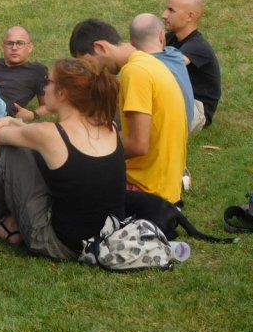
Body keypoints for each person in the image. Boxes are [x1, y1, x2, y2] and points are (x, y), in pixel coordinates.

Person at [0, 57, 126, 261]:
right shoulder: (108, 125)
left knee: (10, 150)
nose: (44, 88)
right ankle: (9, 222)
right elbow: (39, 137)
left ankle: (0, 219)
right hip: (105, 239)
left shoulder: (49, 134)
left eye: (47, 82)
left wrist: (8, 122)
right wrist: (18, 124)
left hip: (60, 245)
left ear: (62, 93)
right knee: (33, 149)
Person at [69, 18, 187, 204]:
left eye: (89, 64)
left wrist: (89, 153)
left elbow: (138, 144)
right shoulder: (148, 62)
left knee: (67, 181)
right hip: (163, 185)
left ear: (100, 47)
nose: (94, 73)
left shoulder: (134, 72)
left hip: (148, 190)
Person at [162, 0, 222, 131]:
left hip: (197, 109)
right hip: (178, 99)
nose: (164, 15)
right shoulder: (170, 38)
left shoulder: (198, 47)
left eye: (171, 10)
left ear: (190, 16)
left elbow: (169, 67)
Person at [130, 13, 194, 131]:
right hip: (184, 129)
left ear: (131, 43)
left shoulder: (138, 71)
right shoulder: (174, 54)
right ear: (161, 36)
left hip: (161, 135)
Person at [0, 26, 49, 120]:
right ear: (3, 47)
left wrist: (32, 114)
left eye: (20, 43)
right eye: (9, 43)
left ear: (30, 47)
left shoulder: (37, 70)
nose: (14, 48)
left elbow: (48, 106)